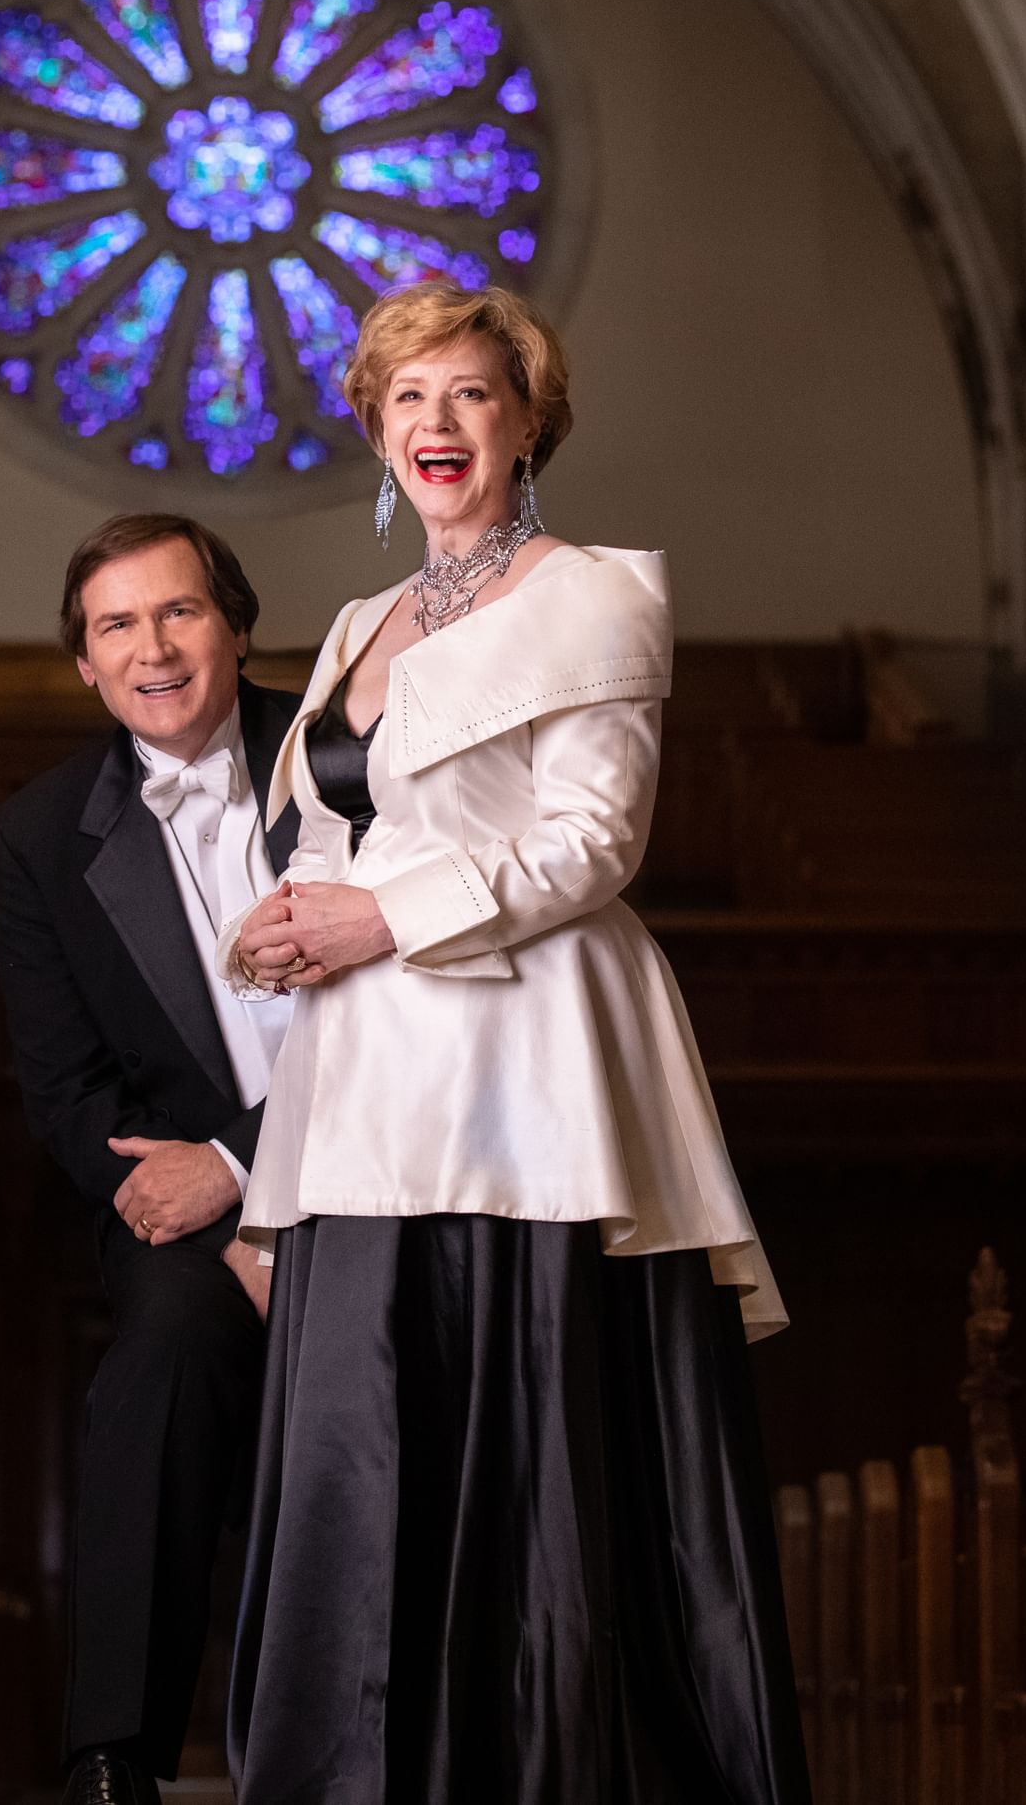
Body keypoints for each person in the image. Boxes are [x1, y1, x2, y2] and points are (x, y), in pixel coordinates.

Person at [219, 283, 810, 1803]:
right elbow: (340, 833)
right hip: (359, 1091)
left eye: (471, 395)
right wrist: (288, 923)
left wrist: (380, 923)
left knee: (530, 1449)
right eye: (407, 399)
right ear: (374, 425)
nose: (437, 424)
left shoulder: (594, 595)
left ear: (528, 418)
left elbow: (592, 847)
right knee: (361, 1448)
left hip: (522, 1083)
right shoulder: (362, 620)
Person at [0, 514, 300, 1805]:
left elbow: (426, 1016)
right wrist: (215, 1208)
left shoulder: (341, 751)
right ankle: (116, 1759)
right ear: (85, 666)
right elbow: (65, 1090)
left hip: (391, 1159)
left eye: (178, 613)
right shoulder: (40, 833)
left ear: (234, 626)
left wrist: (249, 1168)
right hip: (183, 1214)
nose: (153, 648)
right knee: (156, 1366)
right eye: (117, 625)